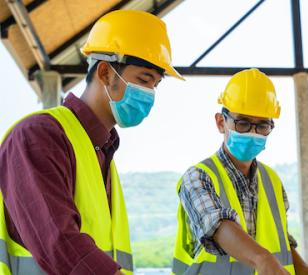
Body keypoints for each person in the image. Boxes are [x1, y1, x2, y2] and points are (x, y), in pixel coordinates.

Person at [0, 10, 183, 275]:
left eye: (155, 84)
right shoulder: (37, 136)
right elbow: (61, 245)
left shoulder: (100, 149)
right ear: (106, 72)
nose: (150, 94)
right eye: (144, 80)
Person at [173, 68, 308, 275]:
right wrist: (263, 259)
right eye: (243, 123)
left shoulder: (272, 180)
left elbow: (282, 243)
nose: (253, 132)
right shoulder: (197, 178)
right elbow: (217, 225)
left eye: (262, 126)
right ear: (221, 122)